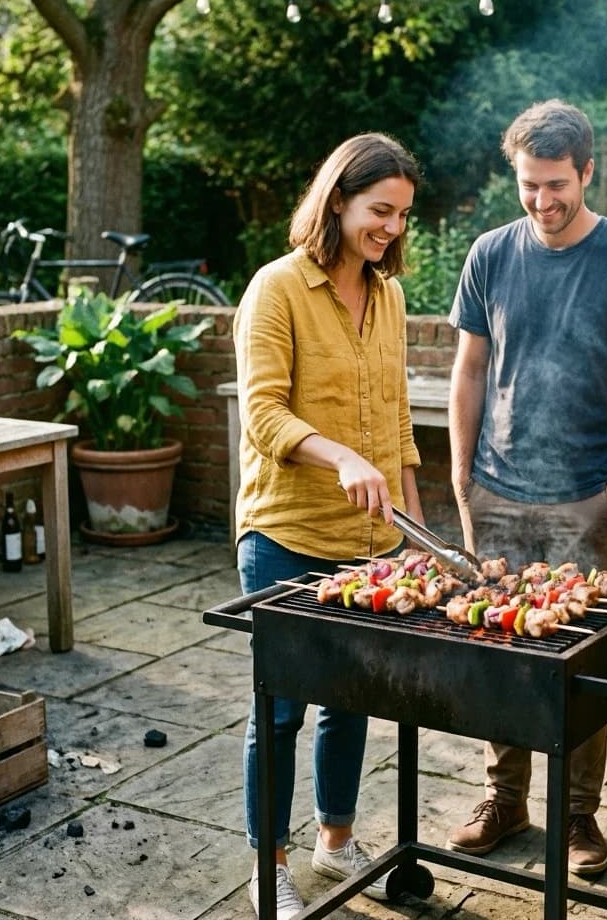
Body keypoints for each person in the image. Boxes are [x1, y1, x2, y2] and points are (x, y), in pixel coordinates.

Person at [445, 99, 607, 875]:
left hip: (586, 495)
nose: (541, 201)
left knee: (584, 661)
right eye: (528, 186)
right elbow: (470, 368)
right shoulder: (489, 254)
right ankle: (504, 800)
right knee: (500, 651)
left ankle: (579, 816)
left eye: (554, 185)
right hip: (498, 489)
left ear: (585, 172)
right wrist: (460, 473)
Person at [233, 132, 425, 919]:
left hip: (371, 543)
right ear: (338, 198)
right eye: (381, 210)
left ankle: (336, 840)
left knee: (354, 699)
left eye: (403, 215)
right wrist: (341, 456)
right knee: (281, 708)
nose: (391, 228)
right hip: (285, 535)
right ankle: (266, 862)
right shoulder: (277, 288)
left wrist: (415, 526)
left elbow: (401, 422)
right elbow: (263, 414)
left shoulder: (390, 295)